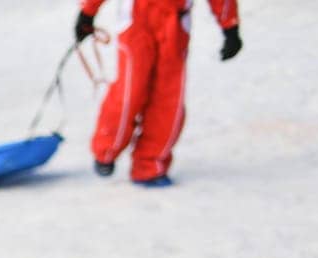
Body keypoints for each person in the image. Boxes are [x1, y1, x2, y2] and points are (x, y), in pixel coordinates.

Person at [75, 0, 242, 186]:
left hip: (175, 24)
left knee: (168, 97)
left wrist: (230, 26)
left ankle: (149, 165)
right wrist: (87, 12)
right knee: (130, 91)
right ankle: (107, 147)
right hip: (137, 18)